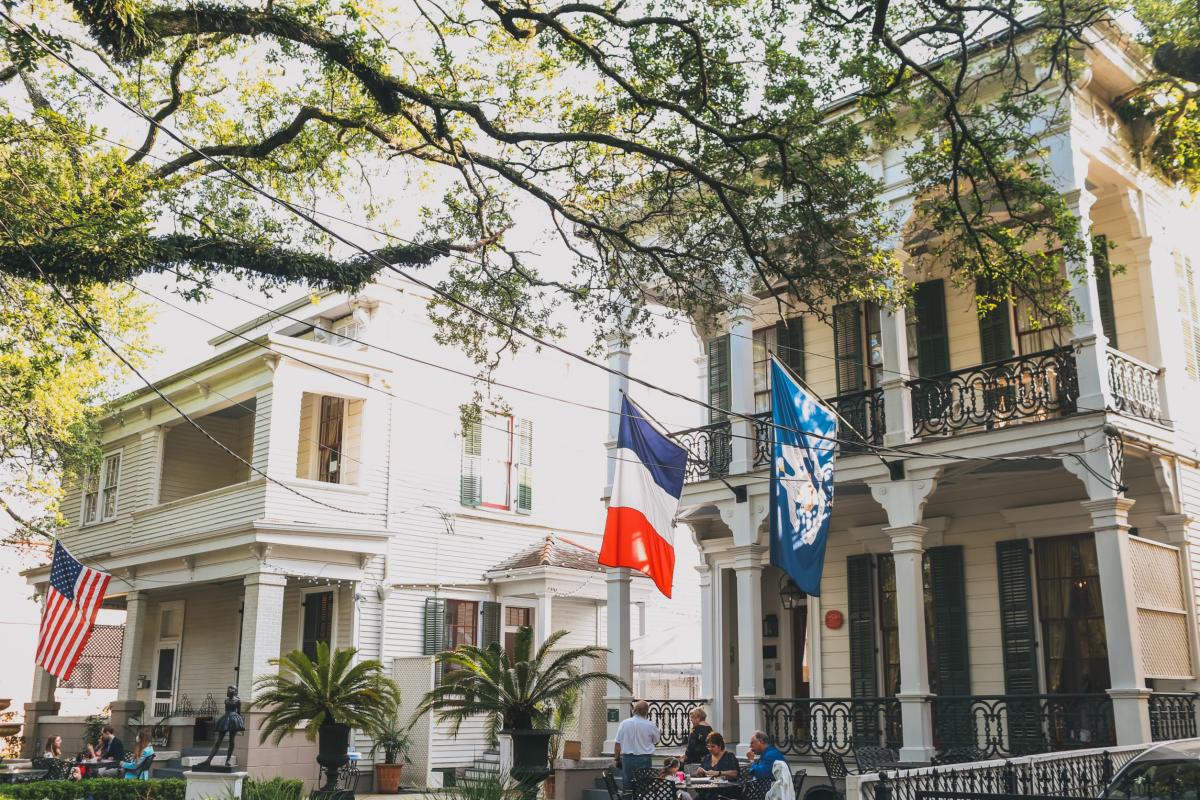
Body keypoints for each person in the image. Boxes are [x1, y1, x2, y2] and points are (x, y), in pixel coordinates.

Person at [614, 700, 660, 793]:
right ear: (646, 711)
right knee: (643, 787)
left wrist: (617, 759)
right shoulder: (650, 725)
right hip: (644, 759)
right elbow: (656, 740)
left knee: (628, 787)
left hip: (628, 759)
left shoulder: (624, 723)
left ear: (634, 710)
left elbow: (617, 743)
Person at [693, 732, 739, 800]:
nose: (710, 749)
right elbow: (699, 772)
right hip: (708, 790)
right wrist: (699, 772)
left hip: (725, 791)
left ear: (720, 745)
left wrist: (719, 773)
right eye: (708, 746)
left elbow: (735, 773)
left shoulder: (729, 756)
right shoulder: (707, 758)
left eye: (713, 746)